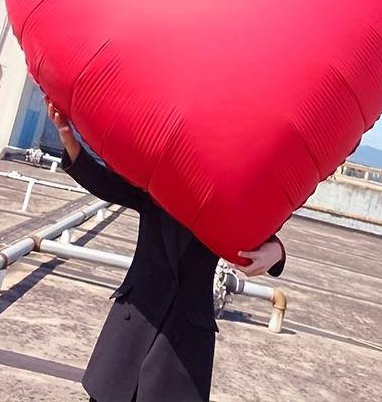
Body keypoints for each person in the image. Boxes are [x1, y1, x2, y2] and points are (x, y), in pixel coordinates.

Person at [45, 99, 286, 402]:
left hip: (184, 340)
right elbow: (106, 184)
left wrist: (276, 252)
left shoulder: (228, 199)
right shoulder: (158, 181)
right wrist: (68, 135)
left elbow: (261, 234)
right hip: (133, 323)